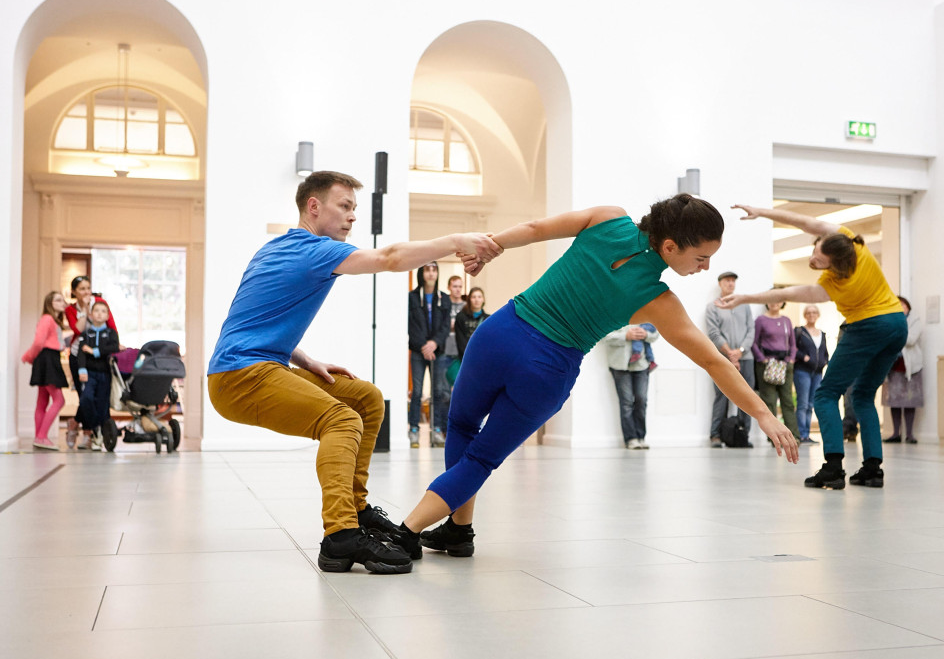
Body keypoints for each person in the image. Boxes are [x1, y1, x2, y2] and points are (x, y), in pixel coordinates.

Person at [390, 194, 800, 561]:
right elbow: (714, 362)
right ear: (671, 246)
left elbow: (534, 230)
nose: (706, 267)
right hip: (547, 368)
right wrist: (763, 413)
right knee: (482, 457)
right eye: (700, 258)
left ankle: (458, 529)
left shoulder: (609, 217)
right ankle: (411, 533)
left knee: (461, 425)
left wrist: (493, 246)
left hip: (501, 333)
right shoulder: (658, 301)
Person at [206, 170, 500, 575]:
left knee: (365, 399)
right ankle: (340, 536)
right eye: (344, 207)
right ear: (314, 206)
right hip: (241, 378)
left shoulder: (274, 249)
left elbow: (251, 320)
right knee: (341, 420)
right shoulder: (316, 250)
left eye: (354, 209)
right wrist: (455, 242)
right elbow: (390, 258)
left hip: (251, 367)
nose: (352, 217)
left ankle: (357, 509)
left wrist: (305, 359)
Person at [720, 204, 907, 490]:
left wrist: (745, 298)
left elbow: (788, 293)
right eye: (815, 251)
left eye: (819, 261)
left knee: (826, 394)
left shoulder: (833, 283)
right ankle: (872, 469)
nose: (813, 259)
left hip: (867, 325)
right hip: (897, 324)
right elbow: (804, 222)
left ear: (835, 265)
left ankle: (832, 467)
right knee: (864, 395)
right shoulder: (851, 244)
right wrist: (763, 212)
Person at [65, 275, 118, 450]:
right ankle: (89, 433)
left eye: (88, 288)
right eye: (82, 289)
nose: (86, 292)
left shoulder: (100, 304)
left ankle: (87, 430)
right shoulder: (71, 309)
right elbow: (77, 330)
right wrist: (86, 310)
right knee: (85, 397)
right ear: (74, 292)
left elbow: (111, 326)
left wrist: (114, 345)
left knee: (99, 399)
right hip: (79, 355)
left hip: (100, 358)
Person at [705, 271, 755, 447]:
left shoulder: (745, 306)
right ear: (720, 284)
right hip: (722, 359)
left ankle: (743, 436)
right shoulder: (712, 307)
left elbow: (751, 330)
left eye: (733, 281)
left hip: (746, 358)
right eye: (727, 281)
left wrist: (740, 351)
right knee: (722, 395)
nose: (731, 284)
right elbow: (713, 333)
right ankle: (715, 435)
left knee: (747, 396)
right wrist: (730, 353)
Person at [408, 262, 452, 448]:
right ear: (421, 272)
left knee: (438, 392)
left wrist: (434, 344)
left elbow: (444, 327)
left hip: (438, 352)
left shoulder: (444, 299)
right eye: (427, 269)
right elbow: (411, 326)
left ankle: (437, 431)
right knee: (417, 392)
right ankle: (414, 430)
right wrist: (424, 346)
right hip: (418, 352)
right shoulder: (411, 297)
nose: (431, 273)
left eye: (434, 270)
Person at [21, 291, 69, 450]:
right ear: (50, 303)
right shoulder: (47, 319)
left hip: (49, 358)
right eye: (58, 300)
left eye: (63, 300)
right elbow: (38, 342)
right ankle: (41, 437)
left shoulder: (54, 321)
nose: (63, 303)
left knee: (42, 400)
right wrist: (29, 356)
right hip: (47, 359)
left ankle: (39, 437)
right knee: (59, 400)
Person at [602, 323, 659, 449]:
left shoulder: (643, 311)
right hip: (619, 364)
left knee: (641, 400)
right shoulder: (612, 312)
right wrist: (625, 336)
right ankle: (631, 439)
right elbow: (604, 336)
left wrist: (646, 334)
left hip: (642, 364)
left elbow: (655, 333)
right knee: (626, 402)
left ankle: (641, 437)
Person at [752, 300, 799, 440]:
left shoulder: (786, 320)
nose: (774, 303)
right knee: (770, 401)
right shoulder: (761, 320)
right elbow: (754, 343)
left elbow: (792, 343)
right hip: (767, 364)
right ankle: (775, 438)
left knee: (788, 401)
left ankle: (793, 436)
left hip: (784, 365)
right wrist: (762, 359)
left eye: (778, 300)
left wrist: (791, 359)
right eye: (772, 300)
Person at [76, 301, 119, 451]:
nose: (100, 313)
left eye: (103, 311)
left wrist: (95, 351)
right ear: (90, 314)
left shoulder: (111, 333)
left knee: (103, 404)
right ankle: (96, 428)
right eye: (97, 311)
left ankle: (101, 438)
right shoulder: (86, 334)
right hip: (89, 374)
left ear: (107, 316)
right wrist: (82, 370)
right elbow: (81, 353)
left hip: (105, 374)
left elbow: (114, 347)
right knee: (86, 399)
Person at [882, 296, 923, 444]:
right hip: (892, 366)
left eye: (902, 305)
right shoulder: (889, 321)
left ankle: (910, 434)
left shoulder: (915, 321)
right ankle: (895, 433)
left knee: (910, 401)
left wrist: (894, 336)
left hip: (911, 367)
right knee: (894, 401)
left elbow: (911, 339)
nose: (900, 308)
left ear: (908, 306)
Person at [794, 305, 829, 444]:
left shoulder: (822, 333)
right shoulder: (799, 332)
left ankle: (807, 434)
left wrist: (825, 361)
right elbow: (793, 349)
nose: (811, 315)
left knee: (810, 404)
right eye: (808, 312)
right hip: (802, 371)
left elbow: (825, 352)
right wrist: (804, 357)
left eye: (814, 312)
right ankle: (801, 434)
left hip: (818, 373)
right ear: (805, 315)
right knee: (802, 404)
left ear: (818, 314)